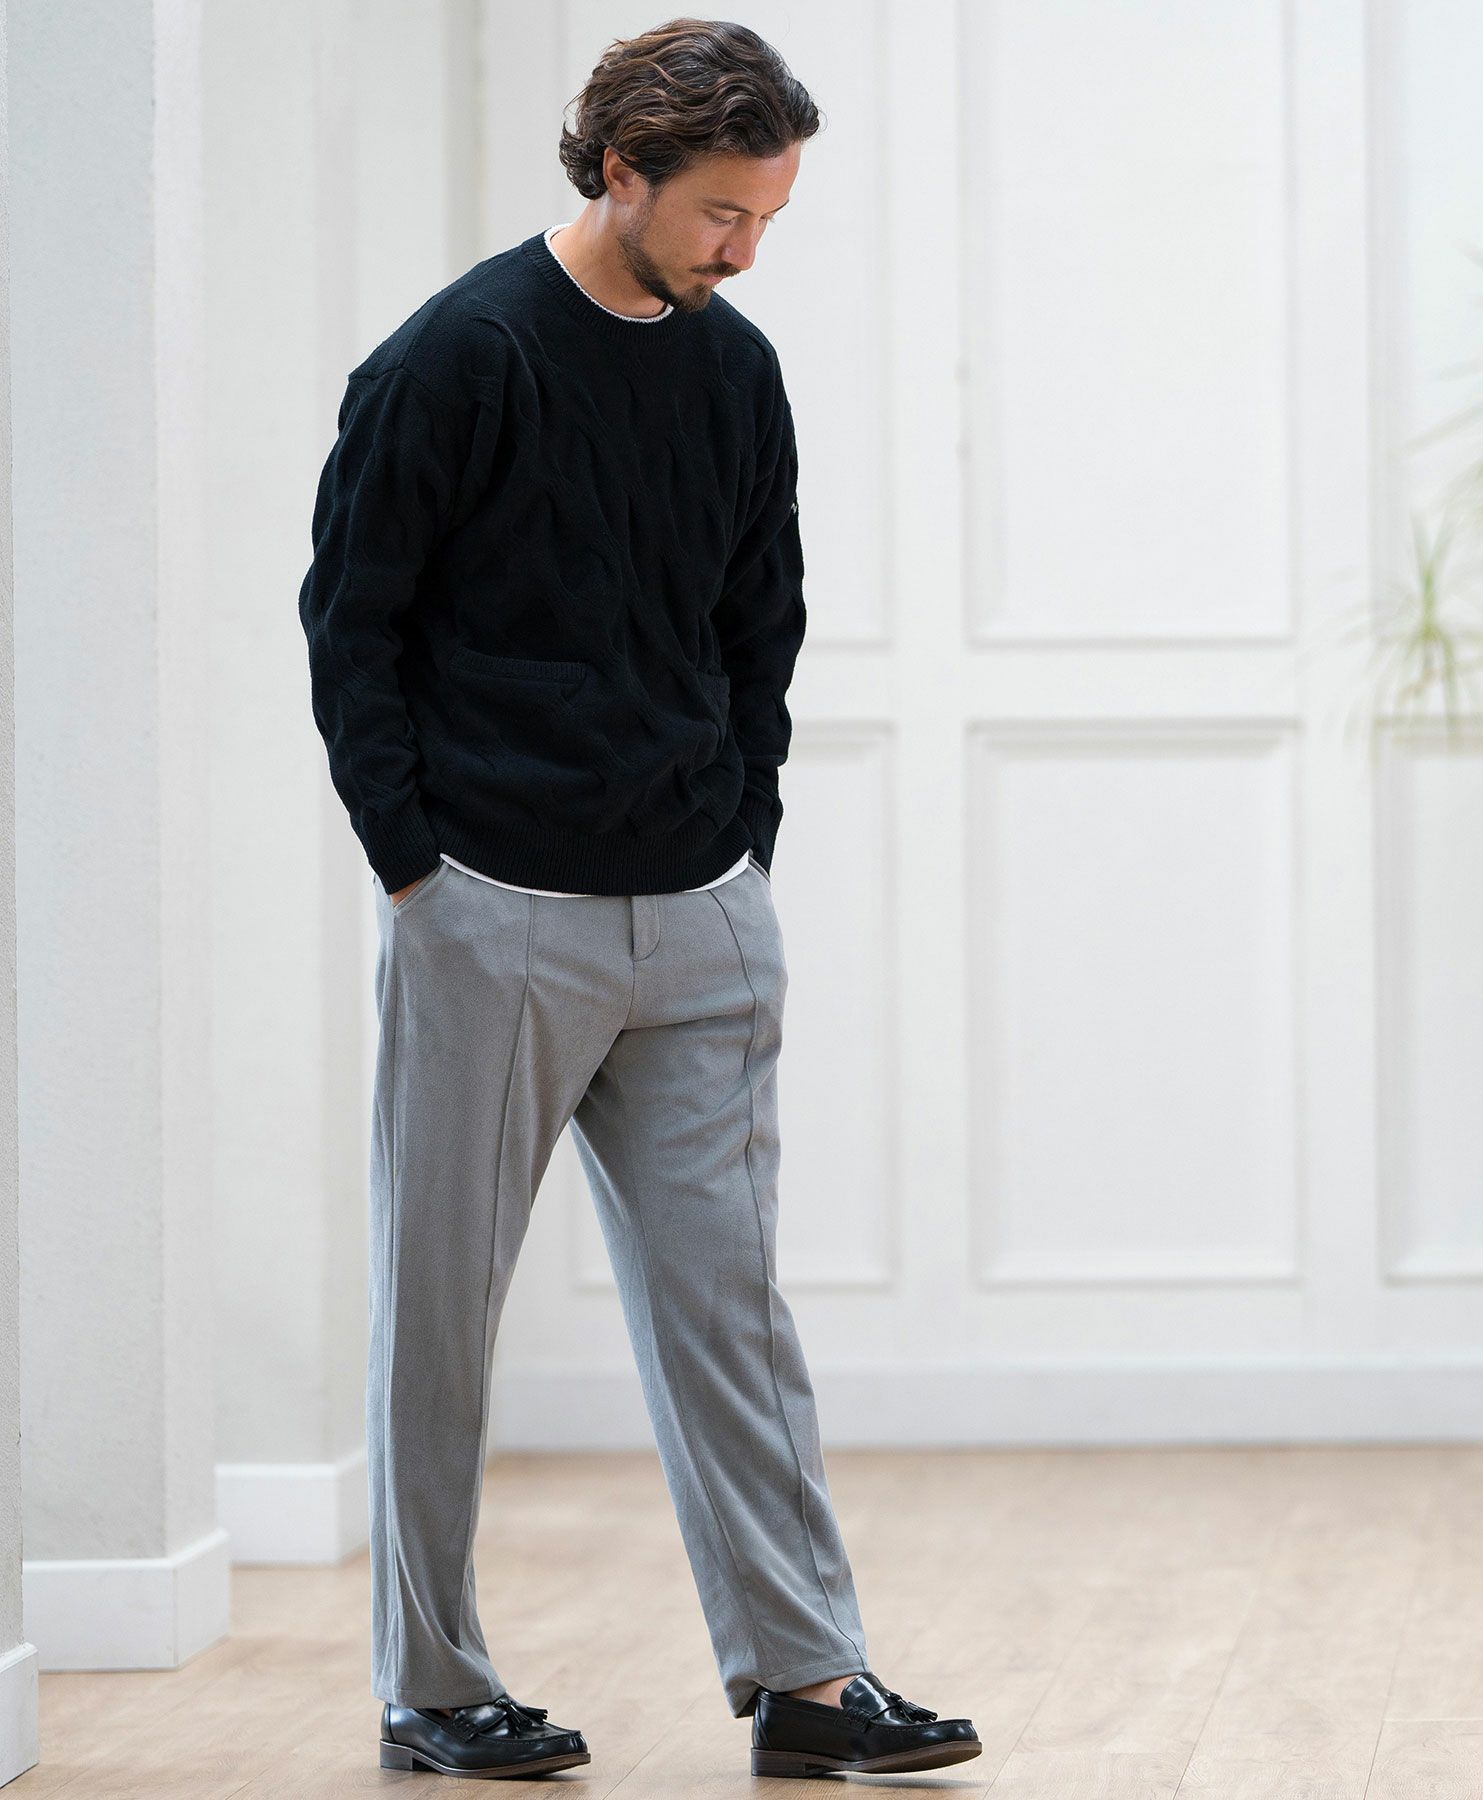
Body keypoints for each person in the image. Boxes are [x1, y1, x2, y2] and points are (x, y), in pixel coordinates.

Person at [297, 15, 981, 1782]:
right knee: (442, 1314)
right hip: (490, 907)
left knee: (731, 1311)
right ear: (622, 170)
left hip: (697, 916)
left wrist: (743, 839)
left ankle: (809, 1683)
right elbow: (352, 624)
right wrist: (414, 864)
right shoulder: (455, 358)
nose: (745, 251)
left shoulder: (736, 372)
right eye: (722, 215)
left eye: (768, 218)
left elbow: (763, 626)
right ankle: (434, 1685)